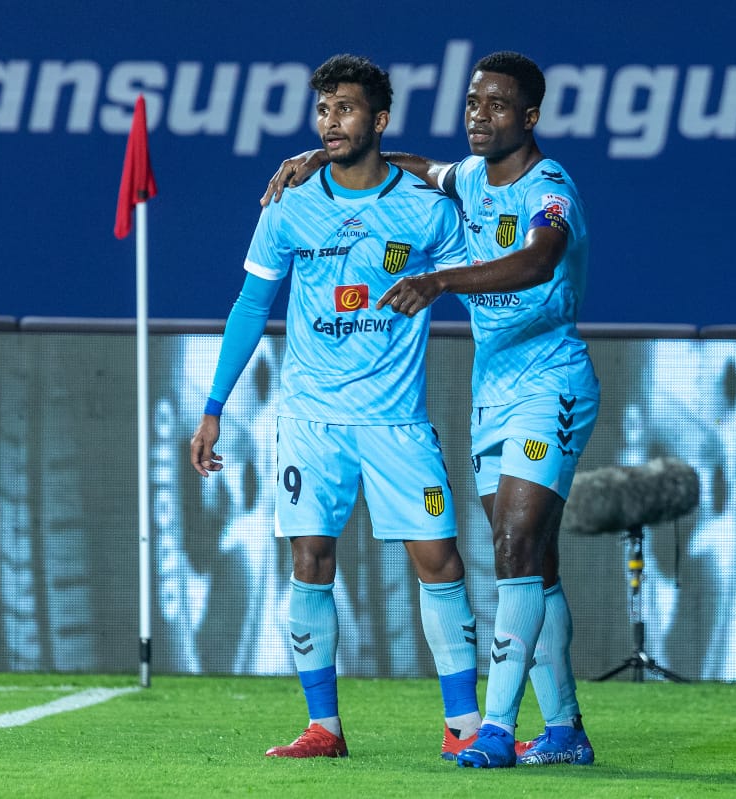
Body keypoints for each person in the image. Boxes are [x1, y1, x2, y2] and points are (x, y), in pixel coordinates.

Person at [263, 51, 599, 768]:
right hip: (493, 393)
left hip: (551, 385)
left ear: (530, 117)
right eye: (473, 103)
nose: (480, 115)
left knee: (512, 547)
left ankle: (493, 728)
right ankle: (565, 726)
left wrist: (442, 279)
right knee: (534, 561)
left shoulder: (551, 188)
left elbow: (540, 259)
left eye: (497, 105)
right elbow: (408, 165)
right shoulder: (469, 179)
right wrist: (314, 156)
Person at [190, 53, 482, 761]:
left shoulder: (429, 209)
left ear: (379, 120)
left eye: (345, 109)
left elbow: (479, 285)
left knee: (440, 562)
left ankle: (466, 728)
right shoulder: (289, 205)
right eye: (323, 110)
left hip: (396, 422)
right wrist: (214, 406)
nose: (330, 121)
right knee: (310, 558)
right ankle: (324, 727)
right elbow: (251, 305)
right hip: (310, 420)